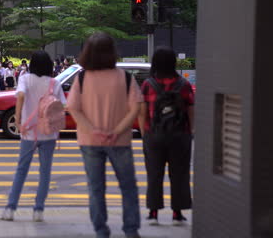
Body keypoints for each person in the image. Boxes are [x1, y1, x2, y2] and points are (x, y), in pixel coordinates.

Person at [67, 32, 142, 238]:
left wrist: (93, 131)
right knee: (128, 187)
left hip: (90, 141)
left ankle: (101, 230)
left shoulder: (82, 78)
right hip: (120, 141)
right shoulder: (125, 78)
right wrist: (116, 131)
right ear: (112, 52)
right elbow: (135, 109)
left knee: (96, 188)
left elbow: (73, 109)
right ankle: (131, 229)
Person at [0, 50, 66, 222]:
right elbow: (63, 107)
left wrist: (18, 119)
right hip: (49, 133)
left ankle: (10, 208)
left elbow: (20, 95)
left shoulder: (25, 79)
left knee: (21, 171)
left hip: (29, 132)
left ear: (32, 64)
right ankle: (38, 210)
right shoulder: (54, 82)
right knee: (45, 173)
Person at [137, 47, 194, 226]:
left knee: (154, 173)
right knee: (180, 174)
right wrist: (190, 132)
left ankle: (154, 212)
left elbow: (142, 112)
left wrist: (145, 132)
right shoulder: (183, 85)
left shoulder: (148, 84)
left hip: (154, 135)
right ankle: (177, 212)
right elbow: (191, 110)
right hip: (180, 135)